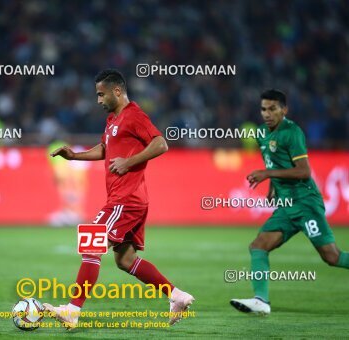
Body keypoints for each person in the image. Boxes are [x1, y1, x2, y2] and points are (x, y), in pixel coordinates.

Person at [44, 69, 194, 329]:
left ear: (117, 91)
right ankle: (176, 296)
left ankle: (72, 310)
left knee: (91, 243)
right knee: (124, 260)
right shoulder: (113, 120)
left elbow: (161, 144)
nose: (98, 100)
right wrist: (75, 156)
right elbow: (104, 149)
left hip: (126, 199)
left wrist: (129, 162)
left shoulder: (134, 115)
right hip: (129, 199)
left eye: (101, 95)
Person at [230, 89, 349, 315]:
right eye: (263, 109)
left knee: (332, 257)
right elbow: (275, 163)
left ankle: (261, 300)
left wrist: (267, 175)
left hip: (305, 204)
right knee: (258, 246)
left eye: (272, 109)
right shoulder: (262, 134)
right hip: (286, 207)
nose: (267, 113)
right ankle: (261, 301)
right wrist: (272, 187)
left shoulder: (292, 132)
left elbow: (304, 171)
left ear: (284, 110)